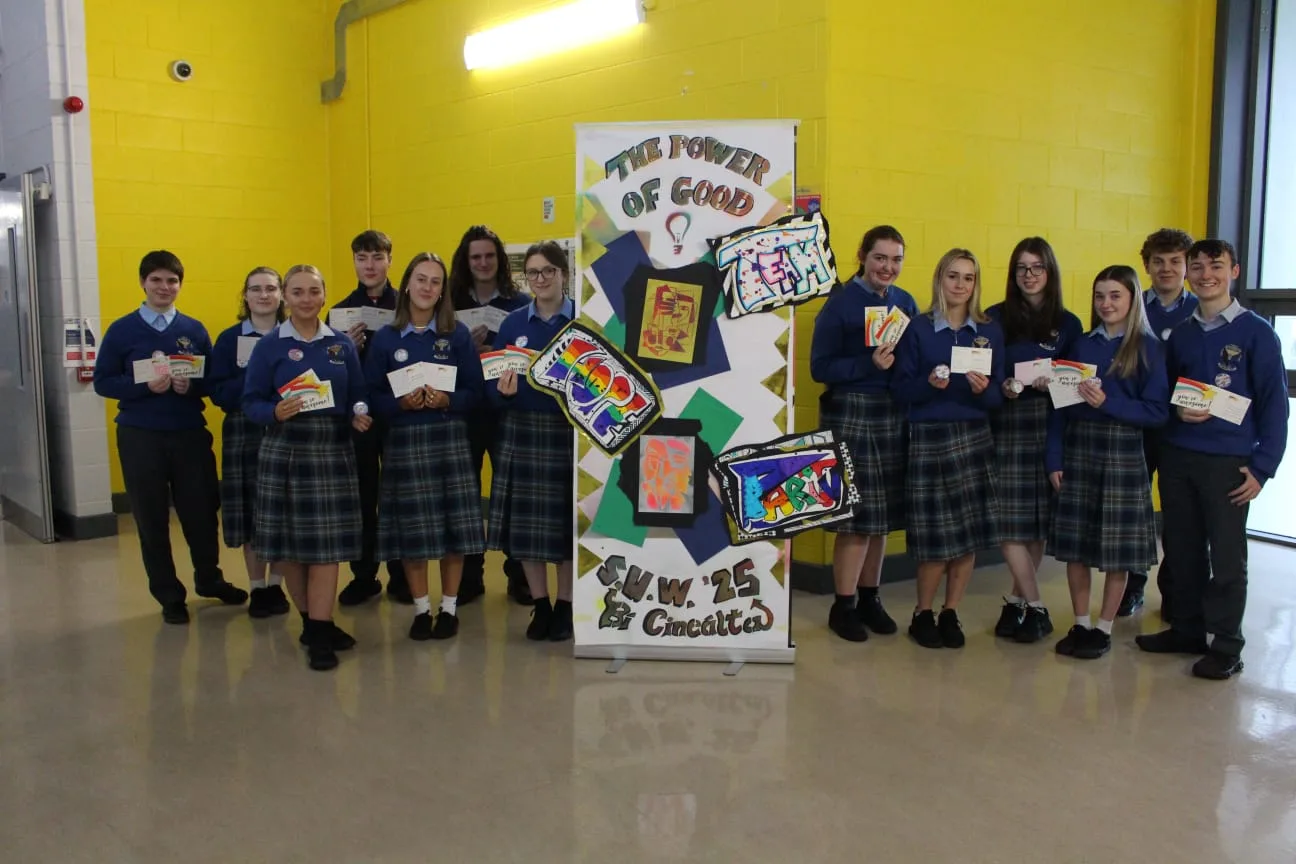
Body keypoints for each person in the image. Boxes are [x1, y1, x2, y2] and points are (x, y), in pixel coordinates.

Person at [1136, 240, 1288, 680]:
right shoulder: (1182, 334)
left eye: (1215, 266)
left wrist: (1263, 467)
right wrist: (1176, 411)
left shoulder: (1257, 333)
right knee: (1182, 550)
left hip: (1229, 464)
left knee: (1226, 557)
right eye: (1198, 267)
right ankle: (1186, 629)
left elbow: (1275, 405)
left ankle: (1226, 645)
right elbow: (1165, 392)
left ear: (1234, 271)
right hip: (1179, 456)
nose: (1206, 275)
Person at [93, 250, 247, 624]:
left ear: (180, 284)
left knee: (202, 512)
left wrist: (189, 386)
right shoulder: (122, 330)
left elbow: (209, 381)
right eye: (157, 280)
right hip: (140, 435)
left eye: (172, 281)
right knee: (151, 517)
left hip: (188, 433)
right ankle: (168, 594)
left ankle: (209, 579)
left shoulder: (193, 330)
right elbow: (103, 382)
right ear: (143, 283)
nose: (164, 287)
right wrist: (142, 385)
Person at [243, 265, 371, 671]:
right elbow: (250, 402)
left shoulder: (341, 344)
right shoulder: (269, 346)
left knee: (327, 551)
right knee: (291, 552)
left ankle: (319, 631)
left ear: (324, 295)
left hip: (332, 449)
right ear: (285, 296)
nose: (306, 299)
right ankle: (314, 625)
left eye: (314, 291)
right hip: (285, 448)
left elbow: (358, 393)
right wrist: (273, 411)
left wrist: (359, 413)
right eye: (297, 292)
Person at [1045, 266, 1168, 660]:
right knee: (1076, 546)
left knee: (1117, 550)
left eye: (1115, 295)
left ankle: (1103, 628)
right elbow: (1060, 407)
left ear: (1132, 299)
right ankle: (1081, 623)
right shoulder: (1081, 345)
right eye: (1100, 296)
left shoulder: (1148, 348)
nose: (1106, 303)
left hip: (1122, 452)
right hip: (1080, 448)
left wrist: (1108, 403)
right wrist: (1054, 457)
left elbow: (1158, 412)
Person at [365, 252, 487, 640]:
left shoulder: (457, 335)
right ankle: (421, 610)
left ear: (442, 291)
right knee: (413, 536)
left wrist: (448, 400)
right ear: (407, 284)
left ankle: (448, 609)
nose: (427, 287)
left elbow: (475, 391)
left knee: (454, 533)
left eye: (436, 282)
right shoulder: (385, 338)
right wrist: (398, 404)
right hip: (404, 442)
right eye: (421, 279)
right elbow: (371, 394)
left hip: (448, 439)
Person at [891, 248, 1004, 649]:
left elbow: (998, 397)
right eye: (953, 276)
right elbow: (900, 389)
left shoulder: (989, 331)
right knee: (934, 537)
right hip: (930, 435)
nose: (960, 285)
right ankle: (922, 612)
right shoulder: (918, 328)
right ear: (940, 279)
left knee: (967, 535)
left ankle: (951, 610)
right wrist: (928, 386)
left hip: (974, 435)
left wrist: (985, 390)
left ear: (976, 284)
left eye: (968, 278)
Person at [810, 225, 917, 642]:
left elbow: (912, 359)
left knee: (880, 516)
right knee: (854, 517)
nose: (888, 267)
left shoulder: (904, 302)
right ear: (862, 256)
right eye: (880, 258)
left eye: (896, 259)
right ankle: (843, 604)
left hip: (892, 412)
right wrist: (867, 364)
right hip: (851, 411)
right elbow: (820, 368)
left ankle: (871, 598)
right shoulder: (839, 304)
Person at [985, 238, 1083, 643]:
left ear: (1050, 272)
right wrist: (1004, 387)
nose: (1029, 275)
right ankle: (1038, 606)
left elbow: (1076, 383)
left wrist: (1055, 384)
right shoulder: (994, 318)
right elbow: (986, 375)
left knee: (1035, 525)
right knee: (1007, 522)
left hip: (1049, 425)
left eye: (1037, 267)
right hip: (1007, 424)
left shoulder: (1069, 323)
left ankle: (1016, 602)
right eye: (1022, 267)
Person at [488, 241, 577, 642]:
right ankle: (540, 605)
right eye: (533, 273)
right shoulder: (512, 325)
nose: (540, 279)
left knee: (564, 528)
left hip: (569, 431)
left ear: (563, 274)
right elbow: (492, 385)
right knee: (528, 531)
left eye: (548, 271)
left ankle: (566, 606)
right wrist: (503, 393)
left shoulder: (582, 320)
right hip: (522, 430)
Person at [448, 225, 532, 605]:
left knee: (512, 492)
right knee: (465, 495)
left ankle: (519, 575)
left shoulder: (519, 303)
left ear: (499, 260)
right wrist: (467, 348)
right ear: (465, 262)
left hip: (506, 410)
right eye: (475, 257)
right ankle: (470, 576)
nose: (482, 263)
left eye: (489, 256)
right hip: (464, 411)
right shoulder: (449, 304)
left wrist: (496, 352)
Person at [1119, 228, 1197, 618]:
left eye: (1175, 261)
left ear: (1187, 266)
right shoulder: (1131, 307)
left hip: (1182, 430)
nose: (1166, 269)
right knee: (1135, 509)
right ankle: (1132, 586)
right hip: (1138, 426)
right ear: (1146, 266)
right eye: (1158, 261)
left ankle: (1174, 593)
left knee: (1179, 513)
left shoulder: (1200, 310)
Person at [331, 230, 412, 606]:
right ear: (353, 262)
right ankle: (363, 576)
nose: (370, 265)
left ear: (390, 260)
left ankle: (401, 575)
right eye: (362, 257)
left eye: (377, 257)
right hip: (359, 419)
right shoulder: (339, 313)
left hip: (398, 413)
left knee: (398, 496)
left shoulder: (407, 307)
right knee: (361, 497)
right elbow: (329, 370)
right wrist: (346, 348)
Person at [207, 267, 292, 619]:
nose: (263, 295)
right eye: (255, 289)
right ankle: (258, 587)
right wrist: (255, 380)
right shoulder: (229, 340)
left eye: (270, 288)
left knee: (284, 510)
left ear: (281, 294)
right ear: (245, 295)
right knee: (251, 512)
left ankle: (277, 585)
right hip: (244, 430)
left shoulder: (293, 335)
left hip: (287, 427)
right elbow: (217, 391)